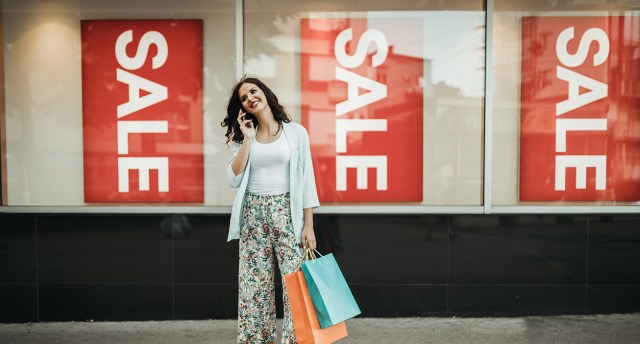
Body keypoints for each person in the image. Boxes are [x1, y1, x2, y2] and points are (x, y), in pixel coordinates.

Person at [221, 76, 320, 344]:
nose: (251, 97)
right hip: (254, 213)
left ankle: (295, 340)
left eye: (253, 91)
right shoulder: (244, 138)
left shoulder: (296, 132)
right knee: (255, 286)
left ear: (264, 93)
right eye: (244, 97)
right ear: (243, 107)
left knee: (295, 284)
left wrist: (309, 225)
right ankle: (256, 339)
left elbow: (307, 178)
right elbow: (233, 178)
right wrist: (249, 140)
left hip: (287, 212)